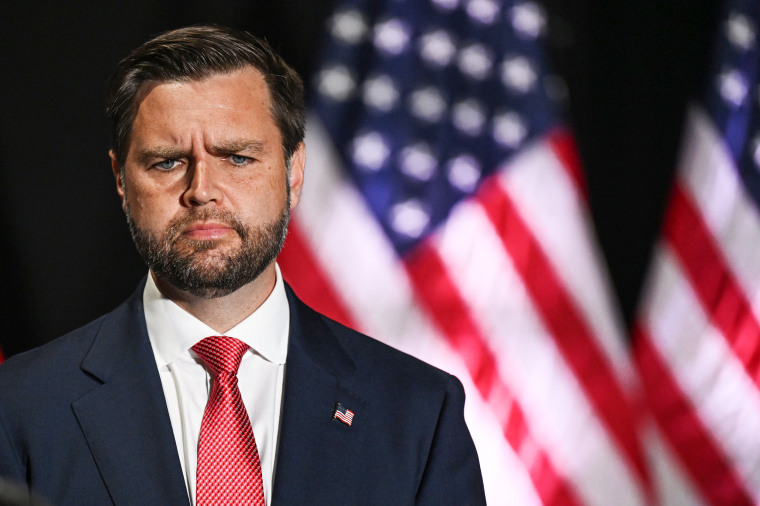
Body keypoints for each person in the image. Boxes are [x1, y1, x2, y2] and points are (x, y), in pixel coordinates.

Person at [0, 25, 486, 505]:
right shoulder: (19, 406)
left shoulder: (419, 410)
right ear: (120, 180)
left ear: (294, 172)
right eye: (167, 162)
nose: (202, 189)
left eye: (236, 157)